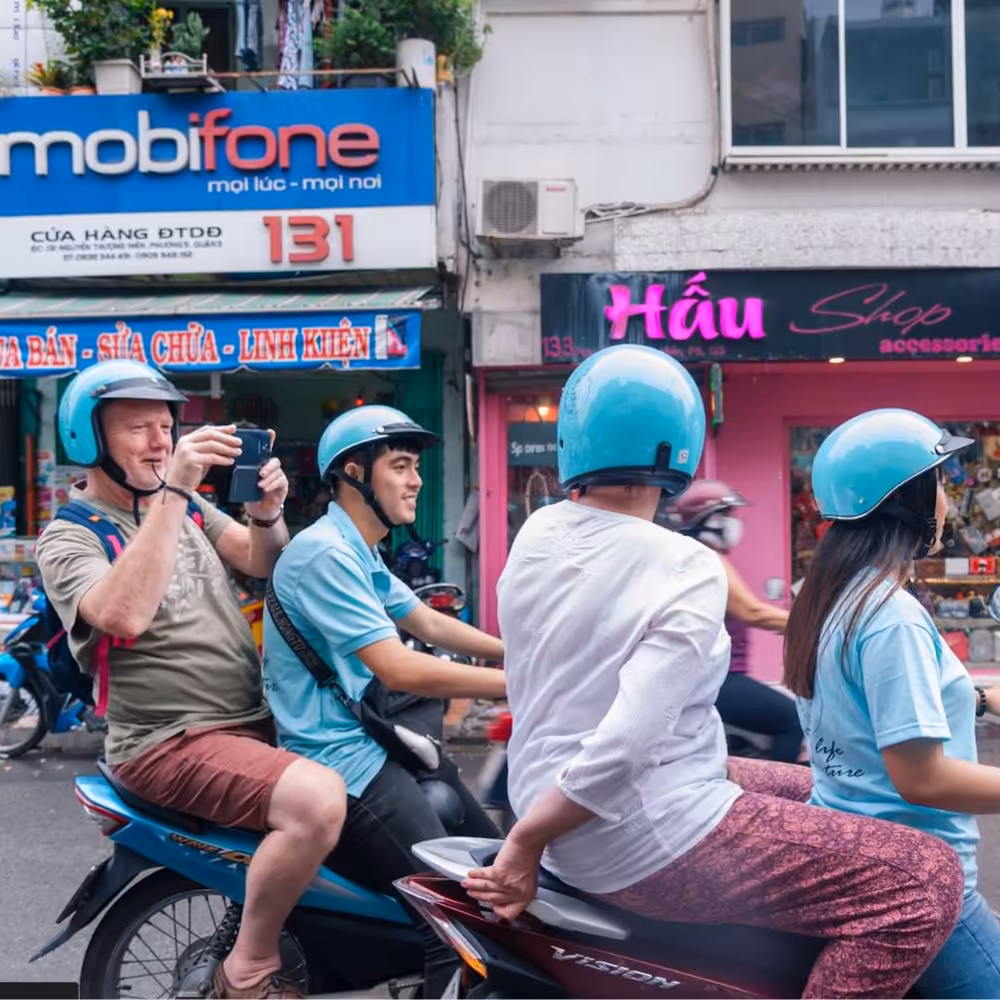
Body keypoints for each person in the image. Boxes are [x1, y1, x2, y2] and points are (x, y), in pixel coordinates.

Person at [463, 345, 965, 1000]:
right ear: (680, 448)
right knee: (926, 879)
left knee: (824, 788)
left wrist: (533, 829)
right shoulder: (683, 565)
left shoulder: (538, 533)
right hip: (637, 829)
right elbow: (623, 747)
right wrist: (523, 846)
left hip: (564, 805)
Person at [36, 359, 346, 1000]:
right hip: (168, 740)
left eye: (165, 427)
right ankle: (249, 967)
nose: (159, 442)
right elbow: (121, 613)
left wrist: (268, 511)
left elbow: (260, 561)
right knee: (317, 802)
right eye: (138, 429)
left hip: (251, 724)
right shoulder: (69, 537)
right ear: (87, 441)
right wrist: (174, 494)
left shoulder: (191, 508)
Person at [262, 404, 507, 998]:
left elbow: (428, 621)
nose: (416, 479)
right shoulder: (324, 554)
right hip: (344, 764)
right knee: (455, 924)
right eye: (400, 465)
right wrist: (525, 684)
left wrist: (525, 657)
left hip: (375, 744)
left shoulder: (357, 550)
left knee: (501, 877)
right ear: (354, 473)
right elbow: (398, 665)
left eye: (415, 466)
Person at [784, 408, 1000, 999]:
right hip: (921, 876)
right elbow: (920, 778)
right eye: (940, 484)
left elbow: (867, 714)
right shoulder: (891, 617)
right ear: (907, 500)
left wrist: (976, 698)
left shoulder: (830, 598)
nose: (948, 502)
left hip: (864, 854)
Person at [667, 480, 804, 763]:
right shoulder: (706, 559)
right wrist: (822, 626)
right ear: (709, 519)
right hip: (719, 679)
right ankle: (780, 793)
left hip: (715, 676)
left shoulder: (692, 557)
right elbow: (753, 612)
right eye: (728, 516)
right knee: (793, 719)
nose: (734, 524)